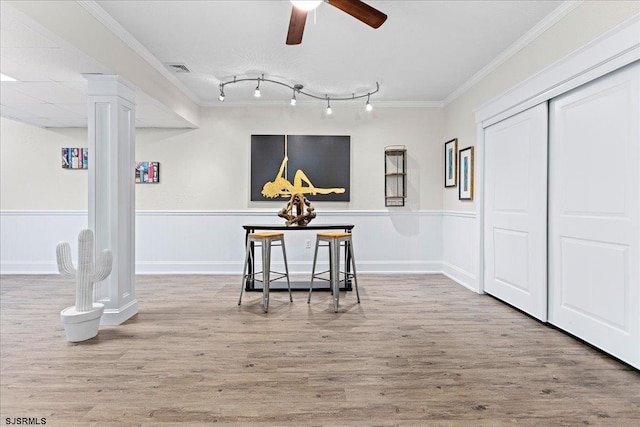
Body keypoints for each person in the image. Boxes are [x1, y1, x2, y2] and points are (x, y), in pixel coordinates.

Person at [261, 156, 345, 199]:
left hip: (295, 188)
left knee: (299, 172)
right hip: (295, 190)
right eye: (267, 185)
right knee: (316, 190)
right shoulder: (278, 188)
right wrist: (293, 194)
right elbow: (288, 193)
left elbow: (281, 169)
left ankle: (312, 185)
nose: (268, 183)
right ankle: (334, 190)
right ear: (269, 186)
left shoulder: (277, 181)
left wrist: (284, 160)